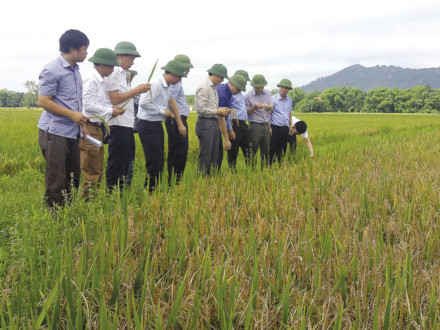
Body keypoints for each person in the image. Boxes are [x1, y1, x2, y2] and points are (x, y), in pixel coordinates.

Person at [37, 29, 89, 209]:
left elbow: (74, 103)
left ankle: (67, 213)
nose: (86, 53)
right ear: (74, 49)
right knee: (57, 178)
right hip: (54, 132)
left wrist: (81, 124)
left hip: (71, 131)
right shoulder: (52, 69)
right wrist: (72, 115)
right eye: (84, 49)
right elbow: (43, 101)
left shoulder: (75, 70)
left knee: (72, 176)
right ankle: (54, 220)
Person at [104, 41, 150, 193]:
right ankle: (112, 193)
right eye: (131, 58)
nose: (132, 62)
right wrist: (137, 90)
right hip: (117, 125)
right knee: (117, 163)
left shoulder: (123, 75)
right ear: (120, 57)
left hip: (127, 125)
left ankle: (122, 192)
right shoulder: (114, 73)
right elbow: (115, 99)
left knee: (126, 161)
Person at [137, 60, 188, 192]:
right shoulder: (157, 84)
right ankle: (149, 191)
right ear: (173, 75)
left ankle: (154, 190)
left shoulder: (166, 86)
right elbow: (144, 103)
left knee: (159, 160)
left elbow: (171, 101)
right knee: (154, 161)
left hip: (156, 125)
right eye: (179, 77)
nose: (180, 80)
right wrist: (162, 111)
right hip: (147, 125)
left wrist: (178, 122)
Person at [80, 48, 124, 199]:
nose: (112, 70)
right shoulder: (91, 80)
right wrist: (110, 110)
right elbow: (88, 104)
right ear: (101, 65)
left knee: (97, 167)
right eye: (110, 66)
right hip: (90, 128)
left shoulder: (101, 81)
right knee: (91, 169)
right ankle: (88, 204)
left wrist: (111, 109)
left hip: (97, 129)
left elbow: (100, 103)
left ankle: (92, 200)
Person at [194, 64, 232, 175]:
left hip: (213, 122)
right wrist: (217, 111)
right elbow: (200, 109)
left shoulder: (213, 87)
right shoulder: (204, 87)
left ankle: (212, 178)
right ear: (215, 75)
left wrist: (220, 109)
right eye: (221, 77)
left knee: (215, 153)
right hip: (205, 123)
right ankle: (203, 178)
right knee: (206, 154)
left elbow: (211, 107)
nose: (222, 80)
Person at [166, 54, 193, 185]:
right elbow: (171, 102)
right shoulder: (174, 83)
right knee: (179, 151)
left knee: (178, 151)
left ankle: (175, 180)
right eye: (187, 68)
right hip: (177, 120)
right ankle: (175, 181)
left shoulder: (177, 82)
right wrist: (180, 124)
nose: (188, 70)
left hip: (177, 119)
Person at [216, 74, 247, 169]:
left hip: (240, 122)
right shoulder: (223, 93)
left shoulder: (232, 93)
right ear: (233, 84)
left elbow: (228, 111)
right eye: (238, 89)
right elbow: (222, 116)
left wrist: (229, 129)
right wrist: (227, 136)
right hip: (226, 122)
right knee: (218, 153)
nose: (238, 91)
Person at [245, 74, 273, 168]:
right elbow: (246, 112)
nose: (260, 89)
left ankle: (264, 170)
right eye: (258, 87)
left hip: (266, 125)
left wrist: (265, 106)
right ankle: (251, 170)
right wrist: (254, 107)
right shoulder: (248, 96)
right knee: (253, 150)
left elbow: (271, 108)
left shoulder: (268, 93)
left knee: (266, 150)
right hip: (254, 125)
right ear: (253, 86)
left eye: (261, 87)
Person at [227, 70, 251, 168]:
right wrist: (230, 129)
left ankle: (251, 170)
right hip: (234, 123)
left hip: (243, 124)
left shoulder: (240, 93)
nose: (245, 83)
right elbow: (227, 111)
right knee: (233, 150)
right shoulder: (230, 92)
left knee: (248, 148)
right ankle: (232, 172)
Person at [270, 79, 293, 164]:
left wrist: (290, 125)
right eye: (283, 87)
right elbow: (269, 113)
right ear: (280, 87)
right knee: (272, 148)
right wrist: (269, 127)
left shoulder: (289, 100)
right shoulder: (273, 99)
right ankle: (270, 166)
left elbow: (289, 113)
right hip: (275, 127)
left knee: (283, 148)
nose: (285, 89)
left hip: (285, 127)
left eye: (287, 88)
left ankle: (280, 166)